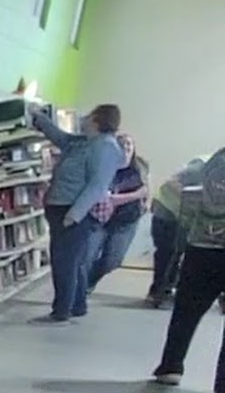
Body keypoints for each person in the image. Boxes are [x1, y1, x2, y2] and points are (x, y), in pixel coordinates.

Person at [33, 101, 125, 323]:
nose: (84, 119)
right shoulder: (85, 142)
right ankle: (76, 305)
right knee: (75, 261)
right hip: (63, 208)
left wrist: (74, 215)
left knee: (64, 262)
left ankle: (61, 311)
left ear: (97, 120)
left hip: (72, 211)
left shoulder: (105, 147)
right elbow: (61, 138)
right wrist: (39, 118)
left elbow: (97, 185)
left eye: (89, 115)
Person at [152, 148, 225, 390]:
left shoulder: (213, 162)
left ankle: (171, 367)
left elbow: (186, 196)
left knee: (186, 312)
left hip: (202, 246)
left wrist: (182, 241)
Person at [86, 137, 147, 296]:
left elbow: (145, 191)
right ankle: (80, 287)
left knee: (112, 261)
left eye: (129, 144)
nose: (125, 147)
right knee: (87, 256)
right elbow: (101, 195)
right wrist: (132, 196)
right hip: (99, 219)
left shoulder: (140, 167)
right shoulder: (103, 165)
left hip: (126, 221)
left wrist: (117, 199)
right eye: (121, 144)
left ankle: (89, 281)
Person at [150, 157, 205, 306]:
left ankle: (170, 289)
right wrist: (193, 197)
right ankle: (160, 291)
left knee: (184, 252)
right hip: (168, 209)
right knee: (169, 252)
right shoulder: (203, 166)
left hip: (189, 215)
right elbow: (173, 182)